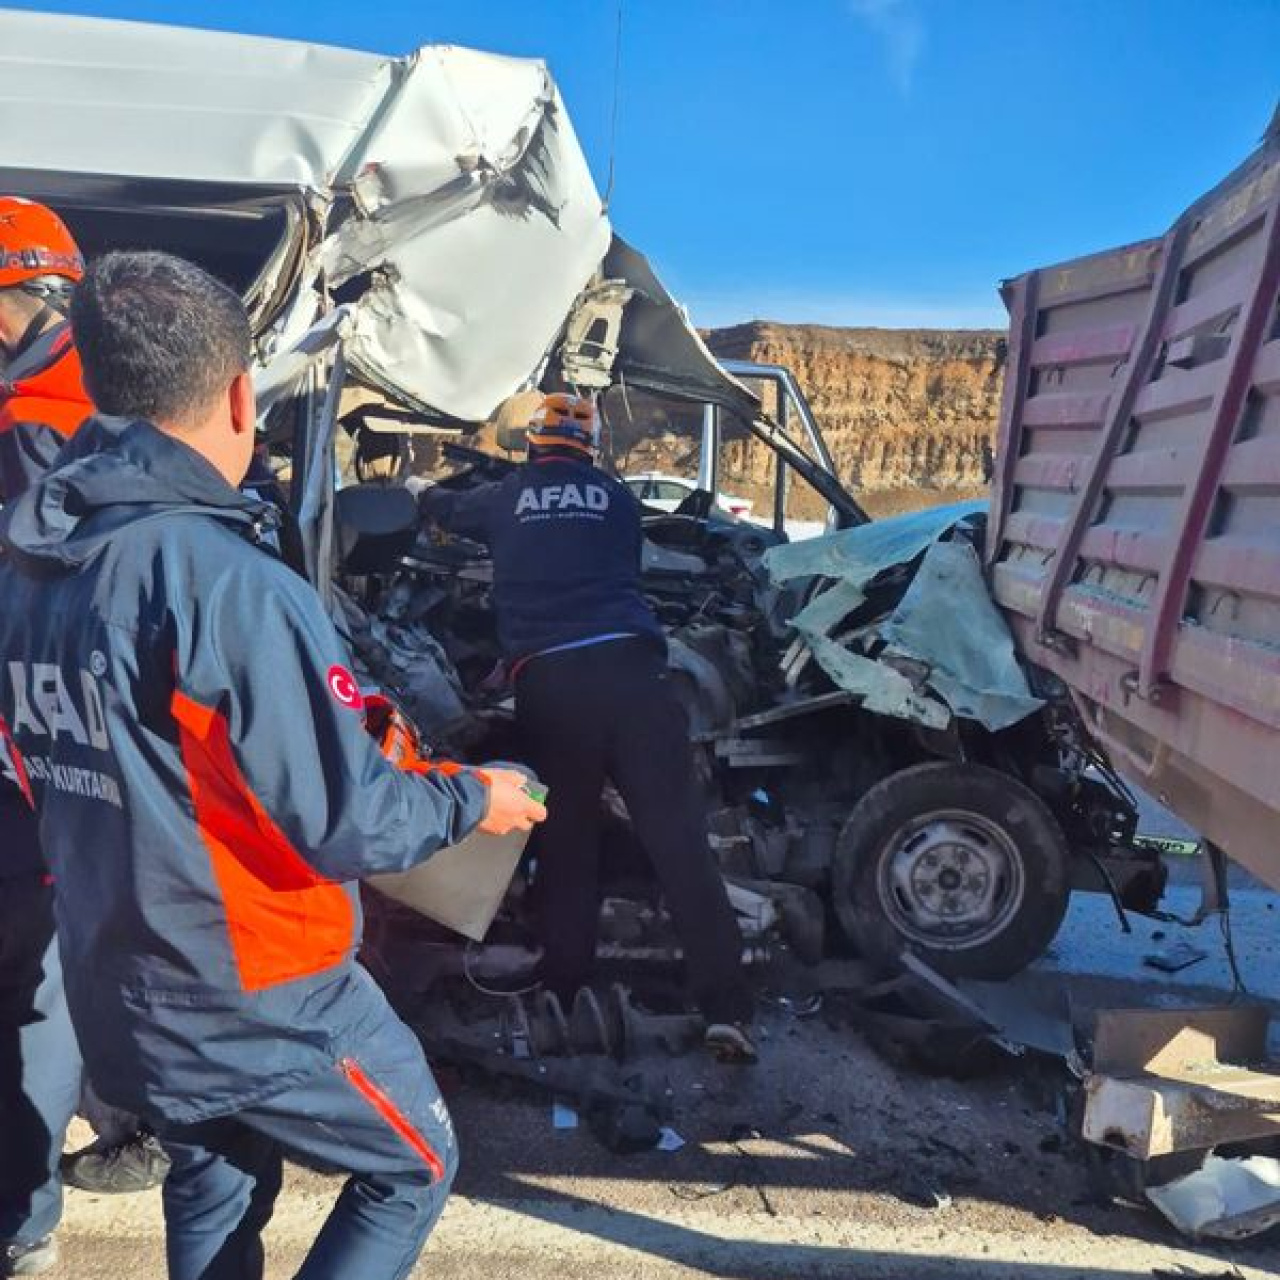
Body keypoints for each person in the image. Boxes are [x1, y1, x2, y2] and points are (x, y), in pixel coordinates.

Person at [0, 249, 546, 1280]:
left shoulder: (32, 569)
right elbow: (348, 821)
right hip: (255, 990)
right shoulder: (224, 581)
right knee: (416, 1160)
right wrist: (476, 795)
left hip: (120, 979)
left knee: (216, 1174)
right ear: (242, 392)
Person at [420, 392, 756, 1061]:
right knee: (678, 842)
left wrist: (420, 492)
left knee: (568, 838)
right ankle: (727, 1009)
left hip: (555, 684)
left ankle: (564, 988)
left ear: (534, 441)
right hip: (637, 676)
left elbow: (447, 513)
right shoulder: (619, 500)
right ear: (593, 446)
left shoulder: (507, 495)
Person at [0, 201, 163, 1279]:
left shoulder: (29, 415)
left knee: (37, 972)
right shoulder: (109, 390)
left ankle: (23, 1212)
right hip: (89, 732)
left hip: (30, 742)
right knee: (59, 958)